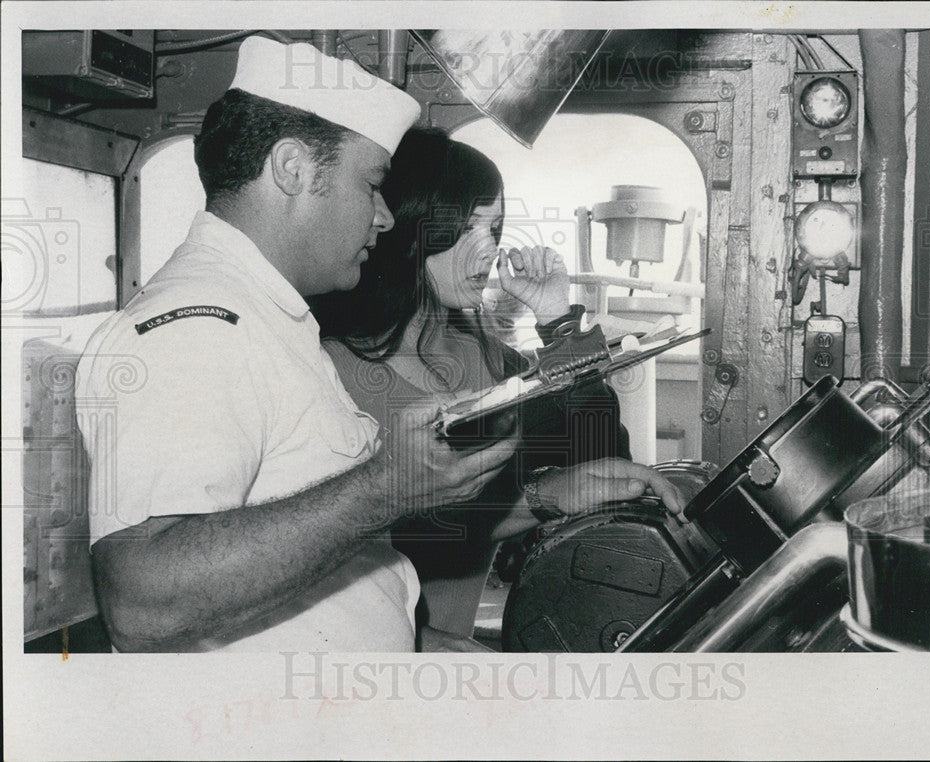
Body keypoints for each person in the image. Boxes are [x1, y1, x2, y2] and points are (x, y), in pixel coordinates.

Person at [75, 37, 521, 653]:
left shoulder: (272, 320)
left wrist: (418, 647)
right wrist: (384, 487)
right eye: (371, 184)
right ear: (292, 169)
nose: (386, 216)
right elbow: (144, 601)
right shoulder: (198, 329)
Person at [309, 128, 684, 641]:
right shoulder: (331, 367)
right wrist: (419, 641)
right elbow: (351, 542)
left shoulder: (480, 353)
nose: (490, 248)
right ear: (415, 227)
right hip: (378, 645)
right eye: (469, 227)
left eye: (496, 226)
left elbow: (598, 447)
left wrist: (557, 322)